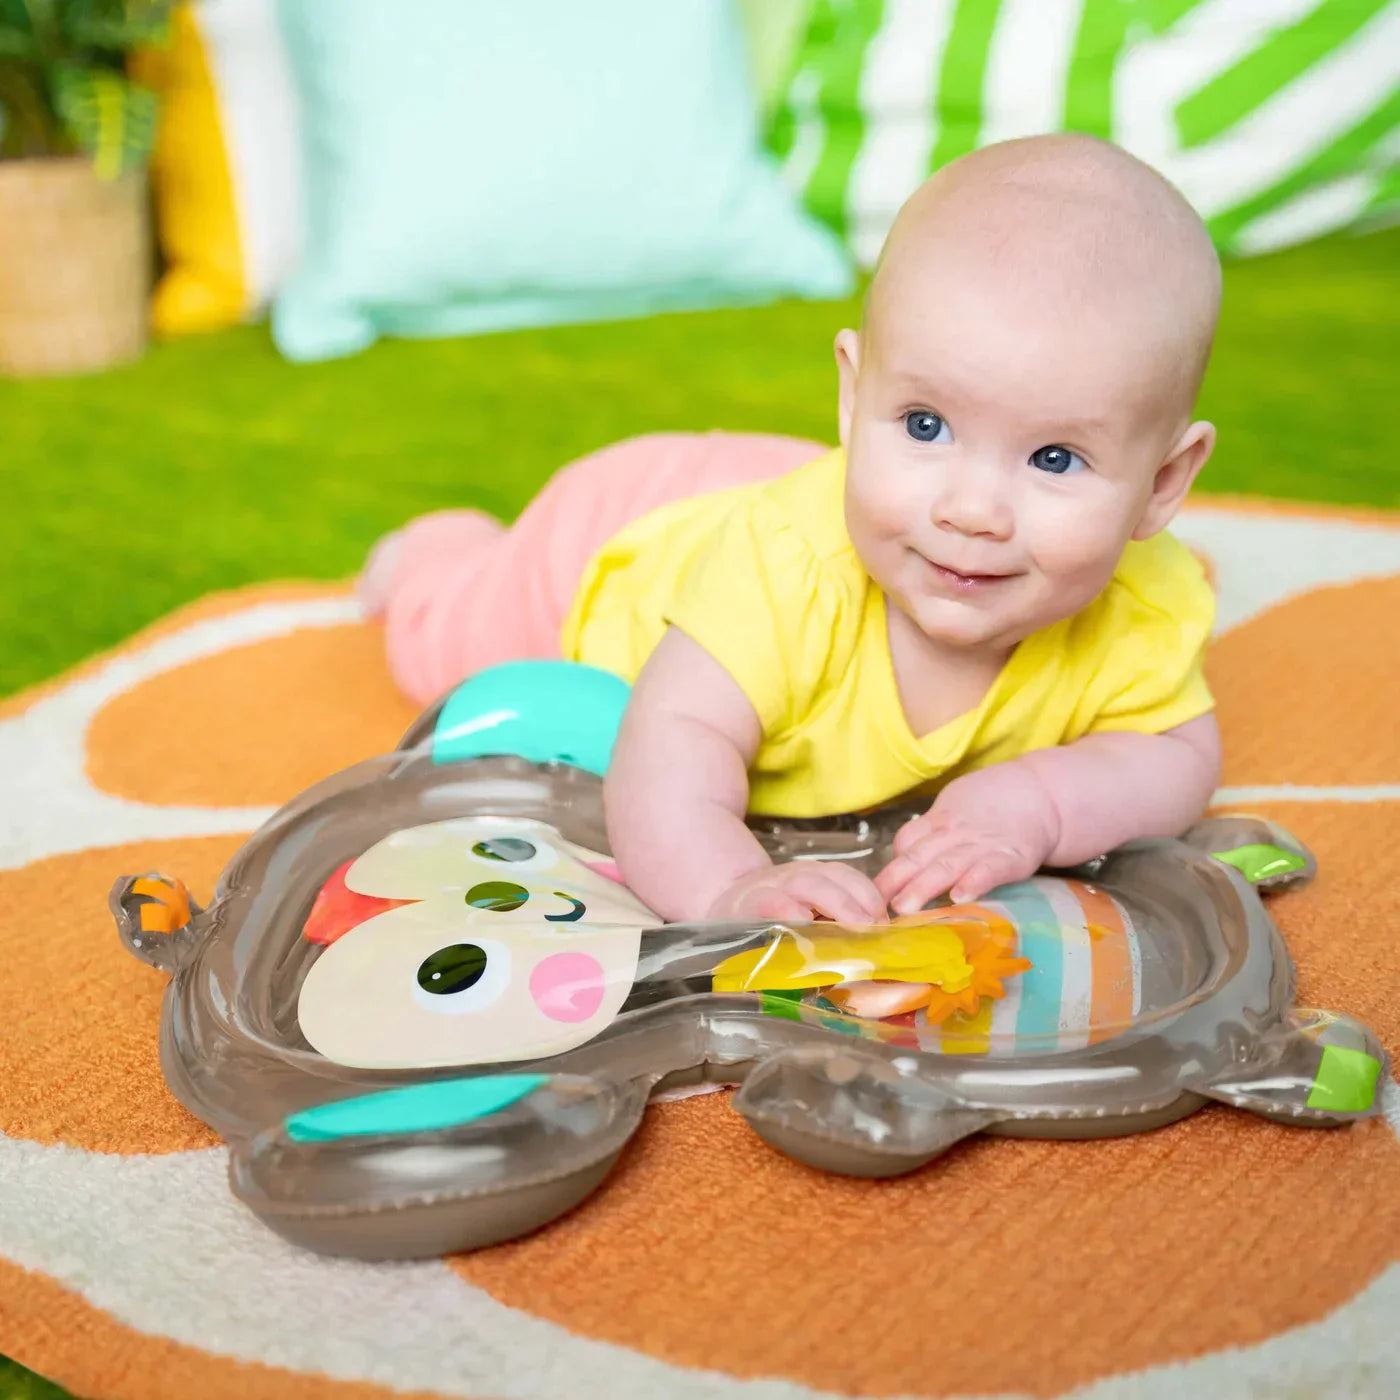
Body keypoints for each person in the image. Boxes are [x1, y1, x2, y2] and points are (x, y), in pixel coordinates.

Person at [361, 134, 1222, 926]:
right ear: (856, 397)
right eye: (924, 424)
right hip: (612, 541)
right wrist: (729, 886)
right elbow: (669, 749)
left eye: (1056, 460)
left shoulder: (1143, 600)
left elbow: (1176, 755)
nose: (973, 512)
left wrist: (1038, 802)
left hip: (799, 490)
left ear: (1163, 484)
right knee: (440, 639)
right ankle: (436, 552)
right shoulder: (781, 575)